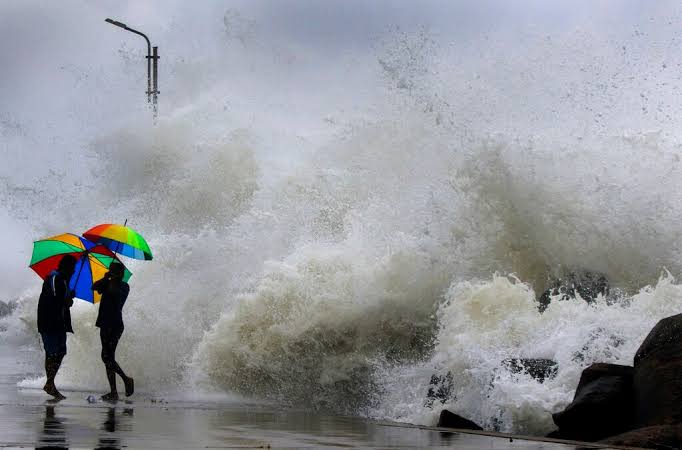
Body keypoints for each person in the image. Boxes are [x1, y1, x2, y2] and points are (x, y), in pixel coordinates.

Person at [37, 254, 76, 400]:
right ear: (66, 266)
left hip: (59, 322)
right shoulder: (54, 277)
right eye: (72, 268)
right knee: (52, 352)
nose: (73, 271)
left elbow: (64, 302)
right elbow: (55, 296)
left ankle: (50, 383)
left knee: (60, 352)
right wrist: (67, 297)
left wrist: (69, 297)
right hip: (49, 321)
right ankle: (50, 384)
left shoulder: (64, 280)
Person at [92, 262, 134, 401]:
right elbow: (94, 287)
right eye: (110, 270)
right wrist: (106, 278)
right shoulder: (107, 283)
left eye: (113, 271)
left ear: (120, 274)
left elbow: (114, 293)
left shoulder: (124, 287)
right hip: (104, 324)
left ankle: (126, 380)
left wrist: (112, 281)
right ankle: (113, 392)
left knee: (107, 357)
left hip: (115, 325)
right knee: (108, 357)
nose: (111, 272)